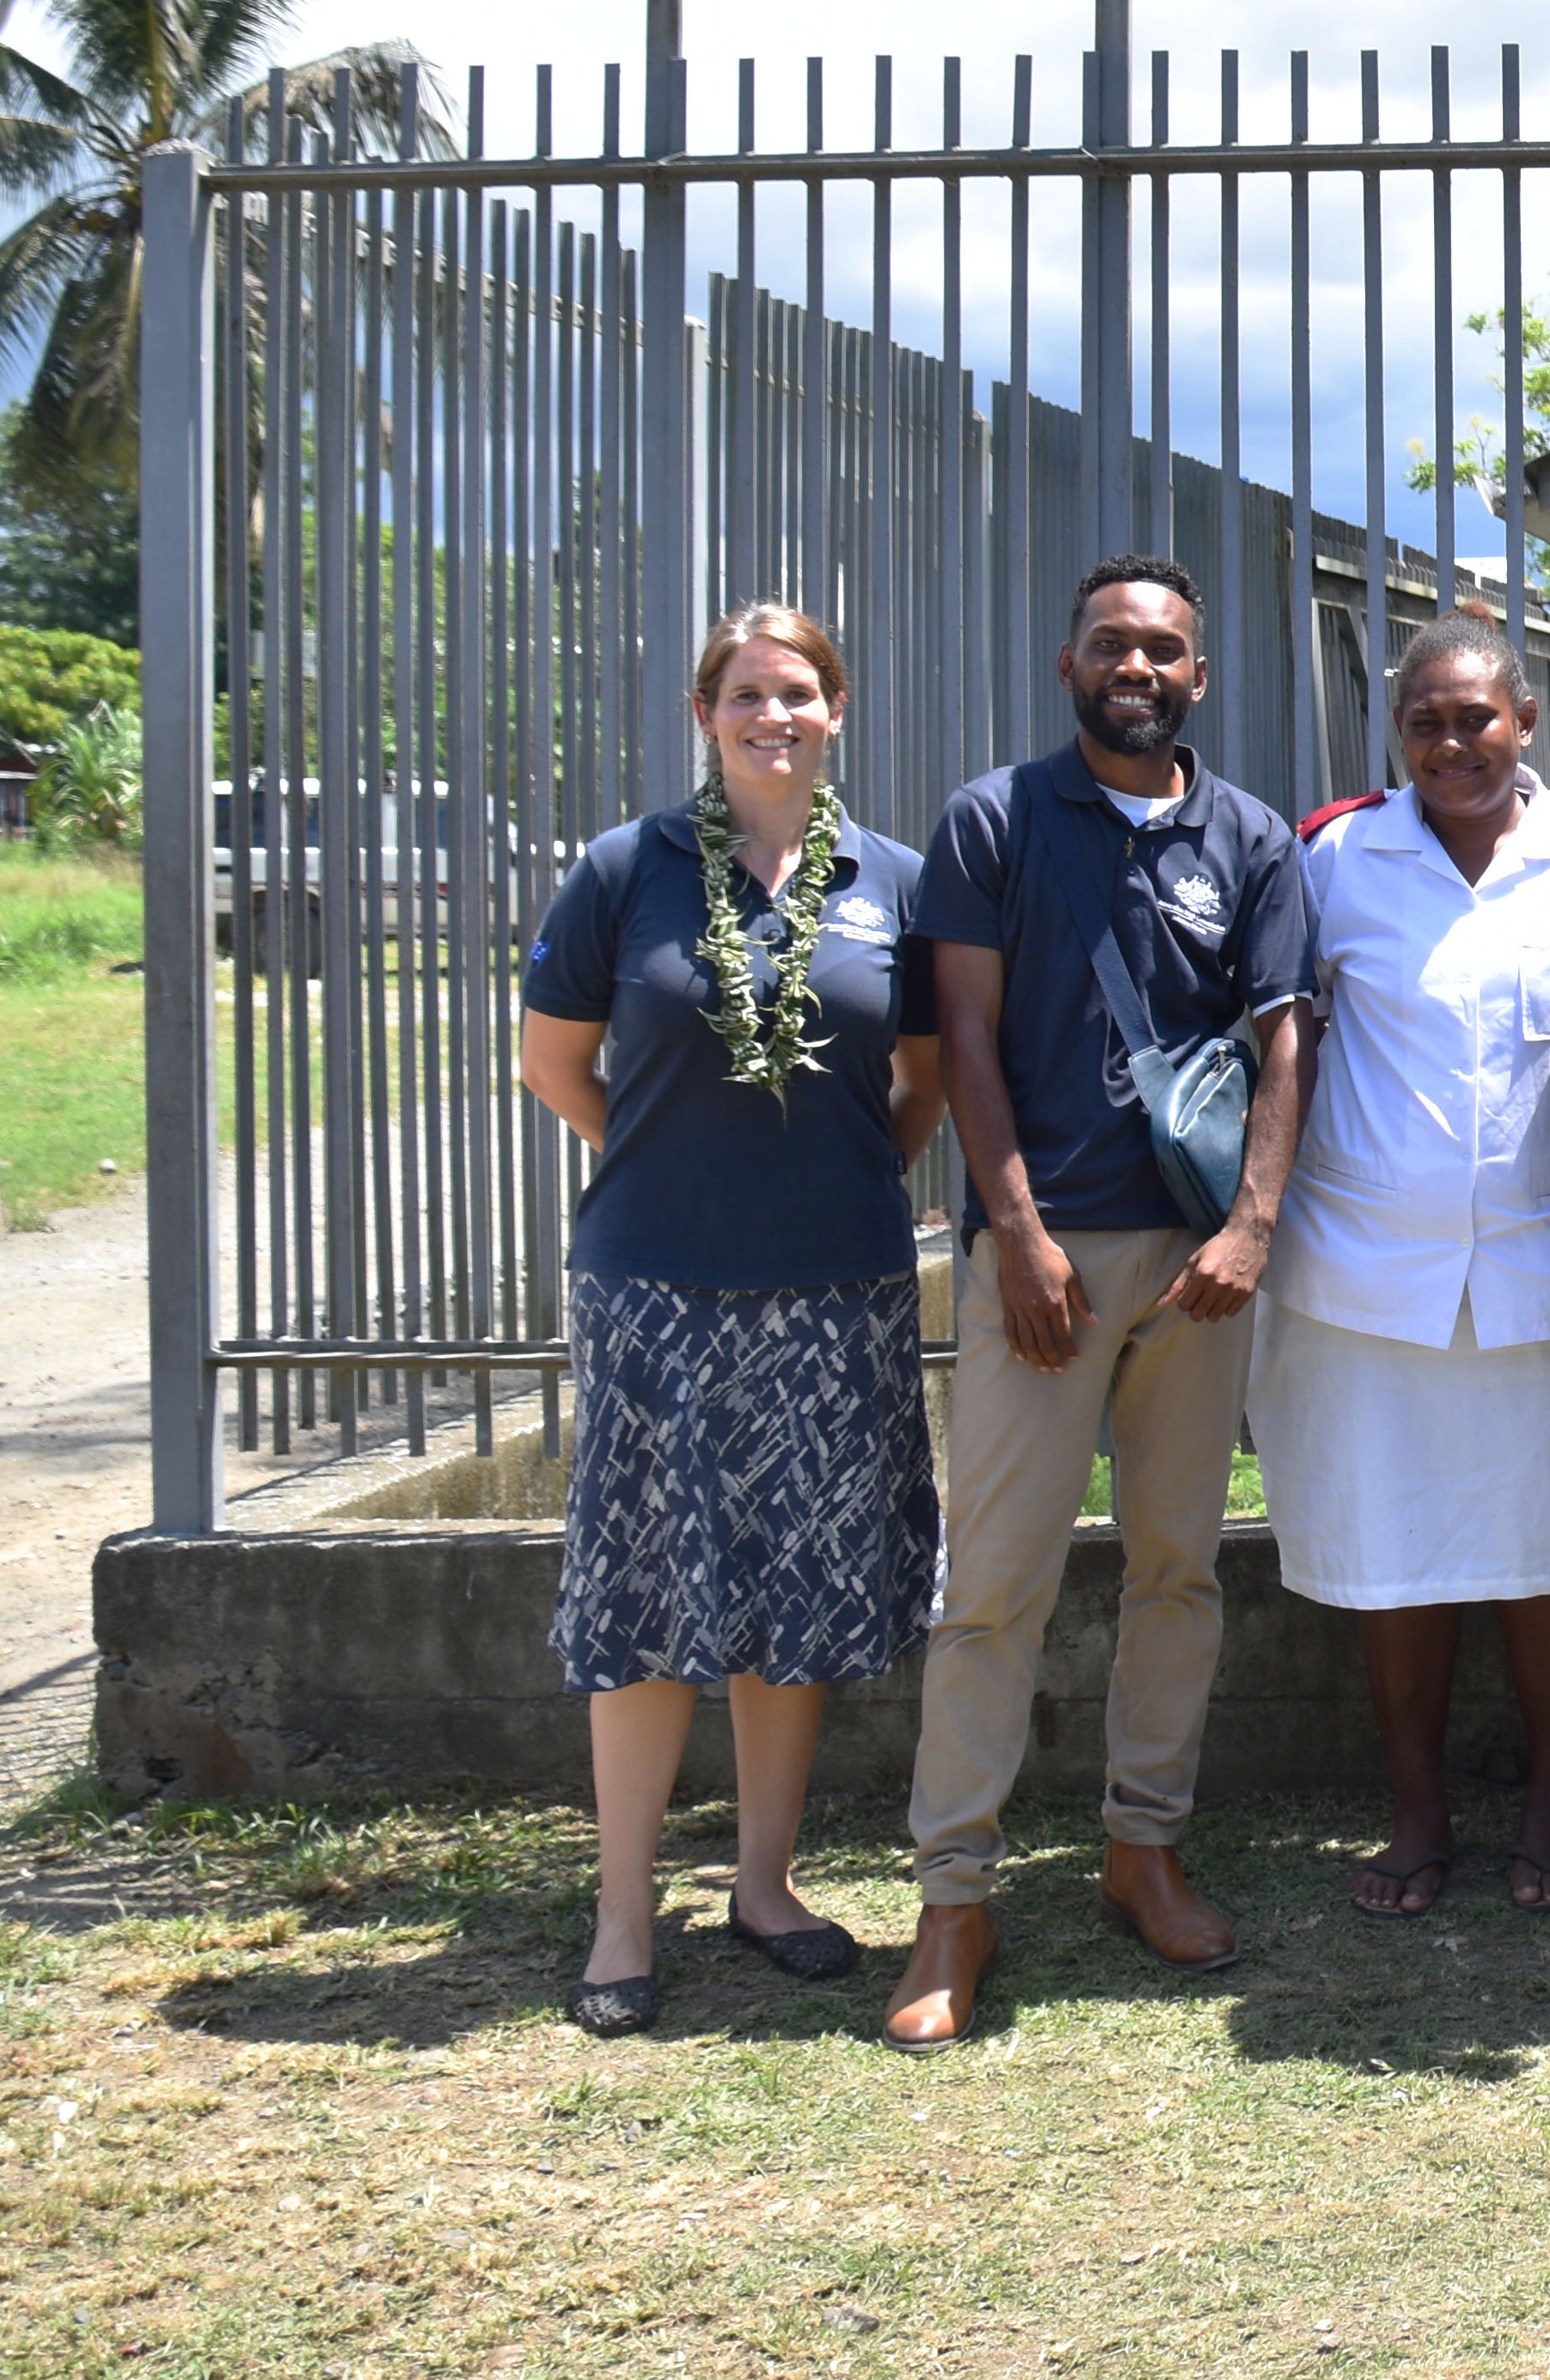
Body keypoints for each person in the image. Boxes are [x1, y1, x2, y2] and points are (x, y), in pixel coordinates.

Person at [887, 555, 1319, 2053]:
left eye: (1167, 650)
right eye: (1113, 645)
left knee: (1175, 1573)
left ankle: (1145, 1849)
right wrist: (1016, 1234)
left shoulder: (1252, 839)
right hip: (1040, 1263)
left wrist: (1254, 1226)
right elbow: (964, 1034)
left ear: (1200, 675)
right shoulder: (996, 820)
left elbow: (1282, 1044)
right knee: (993, 1583)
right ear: (1070, 662)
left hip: (1197, 1268)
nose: (1139, 666)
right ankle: (955, 1896)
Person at [519, 602, 946, 2037]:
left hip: (838, 1290)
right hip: (656, 1290)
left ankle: (764, 1886)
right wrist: (664, 1164)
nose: (776, 716)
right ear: (707, 715)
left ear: (838, 711)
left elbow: (927, 1076)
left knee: (792, 1594)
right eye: (748, 694)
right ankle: (624, 1915)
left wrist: (835, 1171)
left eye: (801, 693)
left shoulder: (893, 880)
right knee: (646, 1607)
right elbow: (555, 1064)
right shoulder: (621, 873)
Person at [1251, 616, 1550, 1921]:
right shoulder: (1333, 857)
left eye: (1474, 718)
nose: (1449, 743)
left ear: (1525, 723)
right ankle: (1416, 1811)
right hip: (1372, 1273)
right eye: (1424, 721)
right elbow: (1285, 1036)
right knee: (1395, 1558)